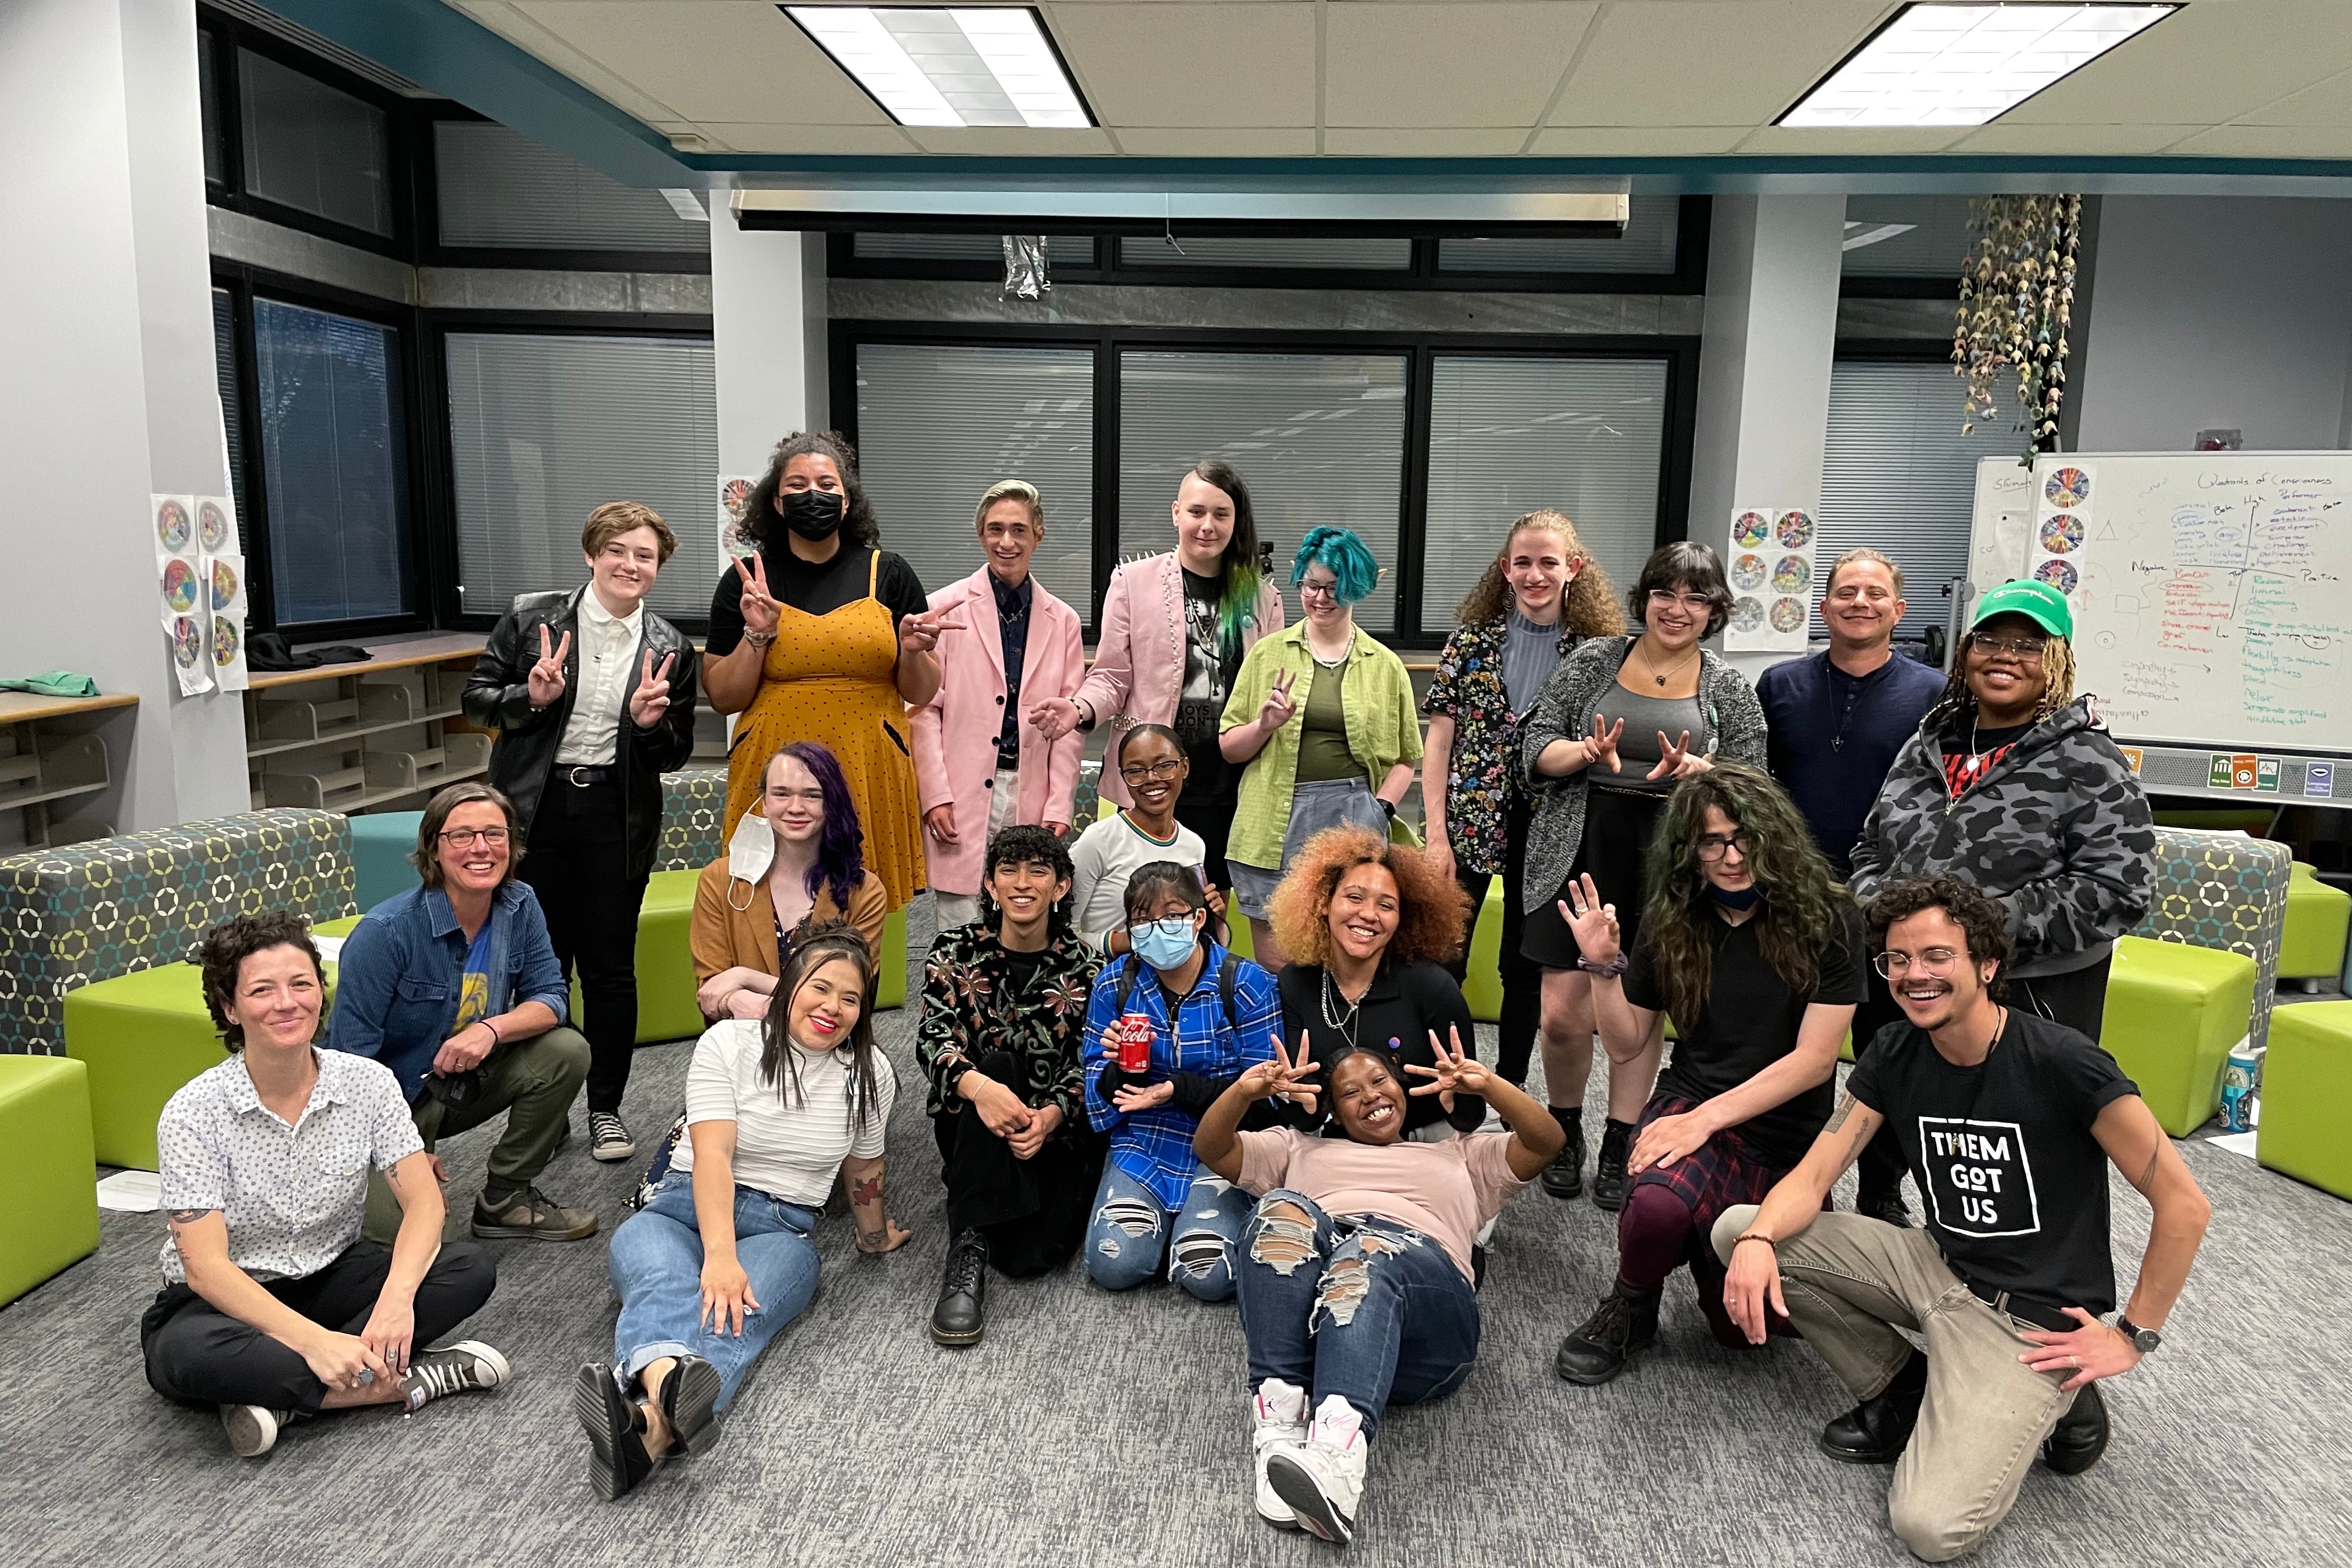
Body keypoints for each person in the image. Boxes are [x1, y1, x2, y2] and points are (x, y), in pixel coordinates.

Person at [1716, 876, 2210, 1563]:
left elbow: (2185, 1205)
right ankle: (1902, 1388)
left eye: (1937, 956)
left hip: (2028, 1320)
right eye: (1897, 959)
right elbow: (1817, 1173)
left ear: (1986, 963)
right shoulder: (1894, 1051)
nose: (1915, 975)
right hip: (1936, 1264)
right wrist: (1761, 1239)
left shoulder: (2065, 1062)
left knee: (1929, 1527)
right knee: (1740, 1229)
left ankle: (2068, 1396)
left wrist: (2132, 1337)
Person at [1847, 579, 2155, 1227]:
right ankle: (1881, 1212)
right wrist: (1885, 916)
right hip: (1910, 980)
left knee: (2004, 1158)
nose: (2005, 656)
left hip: (2027, 995)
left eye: (2029, 645)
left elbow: (2119, 889)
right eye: (1990, 639)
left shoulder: (2088, 760)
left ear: (2059, 660)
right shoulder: (1926, 745)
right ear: (1966, 652)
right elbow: (1870, 848)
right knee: (1900, 1111)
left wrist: (1979, 932)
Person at [145, 912, 507, 1459]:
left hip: (331, 1275)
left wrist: (394, 1302)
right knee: (184, 1355)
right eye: (262, 991)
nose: (287, 1003)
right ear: (230, 1008)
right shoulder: (193, 1113)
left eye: (301, 984)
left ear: (320, 992)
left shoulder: (368, 1083)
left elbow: (424, 1203)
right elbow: (205, 1267)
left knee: (469, 1269)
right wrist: (313, 1341)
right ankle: (407, 1380)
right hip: (227, 1301)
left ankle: (282, 1397)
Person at [1548, 763, 1863, 1385]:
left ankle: (1703, 1246)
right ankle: (1632, 1303)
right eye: (1712, 841)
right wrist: (1600, 966)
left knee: (1752, 1333)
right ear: (1690, 851)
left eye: (1743, 836)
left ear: (1772, 834)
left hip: (1785, 1132)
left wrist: (1704, 1123)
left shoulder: (1832, 915)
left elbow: (1815, 1061)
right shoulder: (1673, 919)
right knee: (1656, 1205)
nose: (1731, 855)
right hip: (1693, 1101)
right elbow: (1627, 1042)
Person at [579, 925, 909, 1501]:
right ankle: (661, 1424)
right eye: (820, 988)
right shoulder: (730, 1043)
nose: (834, 1007)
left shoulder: (869, 1071)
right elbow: (712, 1154)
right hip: (682, 1209)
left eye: (851, 998)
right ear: (787, 988)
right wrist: (721, 1255)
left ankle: (644, 1424)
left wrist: (874, 1235)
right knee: (663, 1280)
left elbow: (864, 1168)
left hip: (782, 1229)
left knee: (736, 1313)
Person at [1198, 1031, 1564, 1544]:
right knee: (1277, 1210)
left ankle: (1337, 1464)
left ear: (1400, 1087)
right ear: (1333, 1111)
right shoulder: (1298, 1148)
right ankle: (1280, 1430)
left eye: (1378, 1081)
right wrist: (1245, 1092)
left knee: (1366, 1252)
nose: (1370, 1095)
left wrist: (1489, 1086)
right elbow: (1212, 1148)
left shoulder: (1459, 1156)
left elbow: (1547, 1143)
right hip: (1320, 1321)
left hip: (1424, 1313)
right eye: (1350, 1093)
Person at [1520, 541, 1768, 1210]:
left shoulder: (1729, 688)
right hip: (1581, 844)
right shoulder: (1594, 661)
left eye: (1695, 598)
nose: (1677, 609)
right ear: (1645, 598)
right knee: (1563, 1012)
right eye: (1665, 593)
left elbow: (1757, 779)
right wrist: (1582, 753)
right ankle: (1565, 1128)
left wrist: (1705, 775)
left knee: (1643, 1006)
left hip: (1671, 859)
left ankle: (1620, 1138)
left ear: (1715, 610)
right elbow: (1534, 743)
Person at [463, 502, 701, 1164]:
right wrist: (530, 700)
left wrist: (652, 725)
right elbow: (476, 700)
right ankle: (546, 1105)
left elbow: (675, 752)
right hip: (533, 814)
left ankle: (606, 1108)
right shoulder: (532, 617)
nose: (631, 565)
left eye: (645, 556)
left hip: (614, 819)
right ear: (592, 554)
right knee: (541, 966)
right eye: (618, 551)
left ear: (658, 568)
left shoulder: (671, 648)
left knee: (609, 969)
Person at [702, 430, 960, 911]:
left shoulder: (890, 572)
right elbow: (723, 696)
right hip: (773, 764)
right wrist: (756, 635)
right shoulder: (749, 582)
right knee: (774, 909)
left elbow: (921, 690)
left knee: (858, 910)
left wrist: (911, 652)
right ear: (776, 504)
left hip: (869, 765)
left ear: (846, 502)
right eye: (796, 486)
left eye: (826, 484)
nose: (812, 495)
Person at [328, 782, 596, 1244]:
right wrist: (406, 1150)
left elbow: (551, 997)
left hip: (461, 1084)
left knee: (567, 1050)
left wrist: (492, 1030)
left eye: (495, 834)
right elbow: (350, 1070)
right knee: (428, 1243)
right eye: (462, 836)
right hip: (387, 1109)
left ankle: (505, 1198)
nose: (481, 849)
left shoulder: (520, 905)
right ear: (434, 848)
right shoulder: (385, 933)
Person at [1423, 509, 1626, 1096]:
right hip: (1468, 821)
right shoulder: (1471, 642)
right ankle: (1441, 1079)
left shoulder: (1598, 652)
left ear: (1573, 569)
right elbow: (1438, 742)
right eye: (1523, 563)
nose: (1535, 575)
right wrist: (1435, 835)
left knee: (1524, 967)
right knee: (1444, 960)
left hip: (1552, 829)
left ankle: (1506, 1091)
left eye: (1548, 562)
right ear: (1504, 570)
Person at [1031, 460, 1284, 889]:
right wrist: (1078, 709)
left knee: (1213, 909)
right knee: (1147, 906)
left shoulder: (1262, 597)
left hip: (1232, 785)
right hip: (1152, 782)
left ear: (1236, 521)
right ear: (1175, 513)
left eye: (1221, 515)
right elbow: (1111, 676)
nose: (1208, 525)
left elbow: (1270, 690)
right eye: (1197, 512)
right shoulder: (1132, 582)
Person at [916, 825, 1105, 1346]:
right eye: (1008, 871)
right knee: (998, 1065)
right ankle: (966, 1250)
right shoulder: (952, 952)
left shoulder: (1089, 966)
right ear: (991, 886)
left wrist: (1050, 1117)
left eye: (1038, 871)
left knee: (1030, 1260)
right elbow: (933, 1040)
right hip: (970, 1121)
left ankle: (977, 1205)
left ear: (1061, 887)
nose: (1023, 884)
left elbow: (1093, 1064)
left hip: (1050, 1129)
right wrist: (980, 1088)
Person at [1221, 527, 1422, 972]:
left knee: (1345, 959)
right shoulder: (1267, 654)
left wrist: (1379, 808)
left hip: (1354, 817)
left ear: (1357, 589)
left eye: (1335, 588)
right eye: (1312, 585)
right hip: (1272, 816)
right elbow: (1230, 747)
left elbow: (1407, 758)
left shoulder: (1386, 666)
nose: (1320, 597)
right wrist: (1265, 725)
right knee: (1279, 966)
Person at [1080, 862, 1283, 1298]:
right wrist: (1116, 1065)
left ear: (1198, 918)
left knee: (1209, 1275)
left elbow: (1266, 1101)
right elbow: (1097, 1091)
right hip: (1144, 1141)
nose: (1158, 929)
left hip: (1224, 1145)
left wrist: (1178, 1088)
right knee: (1114, 1264)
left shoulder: (1247, 984)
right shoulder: (1115, 983)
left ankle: (1189, 1227)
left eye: (1172, 915)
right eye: (1142, 920)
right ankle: (1155, 1228)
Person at [912, 479, 1084, 930]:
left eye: (1018, 530)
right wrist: (935, 796)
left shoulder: (1063, 620)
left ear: (1038, 536)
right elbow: (924, 710)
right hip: (962, 791)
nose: (1006, 542)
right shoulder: (943, 608)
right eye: (994, 530)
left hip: (1031, 784)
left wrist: (1059, 805)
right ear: (980, 535)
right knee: (960, 921)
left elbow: (1067, 724)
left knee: (1026, 911)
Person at [1267, 824, 1482, 1139]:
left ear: (1402, 919)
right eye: (1355, 897)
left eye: (1386, 905)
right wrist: (1296, 1098)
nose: (1369, 914)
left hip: (1425, 1142)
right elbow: (1304, 1121)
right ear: (1324, 903)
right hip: (1334, 1143)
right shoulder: (1296, 982)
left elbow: (1469, 1119)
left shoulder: (1433, 987)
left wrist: (1460, 1096)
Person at [692, 741, 889, 1023]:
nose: (795, 807)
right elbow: (710, 991)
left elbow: (848, 994)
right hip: (739, 1043)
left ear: (831, 804)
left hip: (828, 1047)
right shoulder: (720, 880)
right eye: (781, 794)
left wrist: (744, 980)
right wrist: (738, 999)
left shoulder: (865, 890)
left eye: (812, 795)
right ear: (765, 803)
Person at [1068, 722, 1213, 954]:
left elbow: (1195, 938)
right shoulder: (1097, 842)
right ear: (1122, 777)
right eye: (1136, 771)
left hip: (1173, 981)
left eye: (1164, 766)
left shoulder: (1194, 845)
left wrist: (1212, 920)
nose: (1152, 779)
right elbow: (1063, 934)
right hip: (1109, 979)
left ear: (1184, 767)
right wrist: (1133, 941)